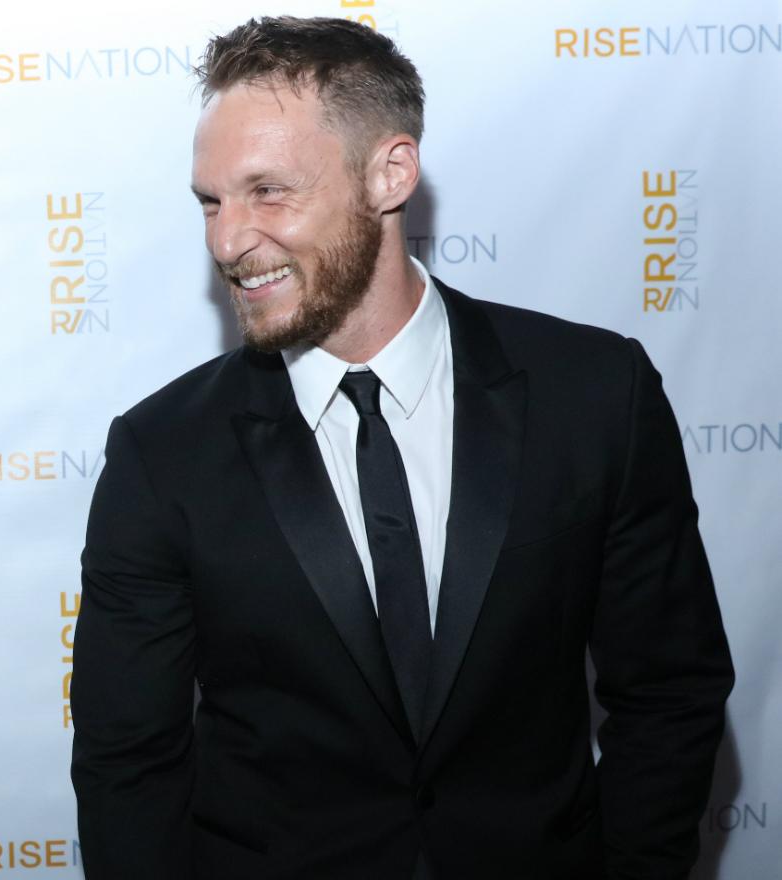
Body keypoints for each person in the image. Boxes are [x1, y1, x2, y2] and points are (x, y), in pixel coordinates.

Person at [70, 16, 732, 880]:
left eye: (268, 191)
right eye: (211, 200)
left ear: (390, 174)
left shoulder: (596, 396)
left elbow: (670, 692)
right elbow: (128, 764)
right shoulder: (163, 454)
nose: (227, 240)